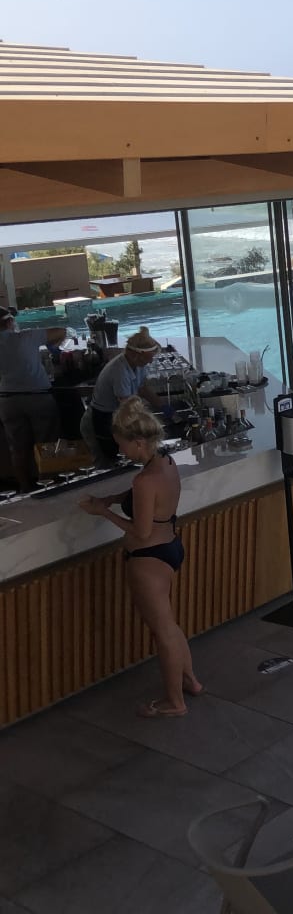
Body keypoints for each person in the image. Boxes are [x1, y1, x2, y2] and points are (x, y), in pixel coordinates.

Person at [79, 396, 200, 717]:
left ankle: (175, 702)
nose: (120, 451)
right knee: (169, 625)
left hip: (149, 558)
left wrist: (103, 512)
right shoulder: (165, 462)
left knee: (163, 632)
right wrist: (110, 498)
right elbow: (142, 498)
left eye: (122, 445)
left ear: (138, 442)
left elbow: (141, 531)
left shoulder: (144, 480)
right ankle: (190, 680)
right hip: (169, 547)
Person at [0, 306, 67, 491]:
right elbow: (62, 331)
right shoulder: (26, 336)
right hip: (38, 397)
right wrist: (54, 347)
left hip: (7, 400)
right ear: (9, 322)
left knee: (17, 448)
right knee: (46, 444)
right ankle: (47, 484)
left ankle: (24, 488)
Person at [82, 326, 163, 464]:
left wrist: (162, 405)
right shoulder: (120, 371)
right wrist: (147, 424)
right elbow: (128, 408)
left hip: (114, 417)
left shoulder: (138, 364)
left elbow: (142, 388)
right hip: (101, 420)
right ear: (136, 354)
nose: (150, 361)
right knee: (109, 463)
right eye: (149, 357)